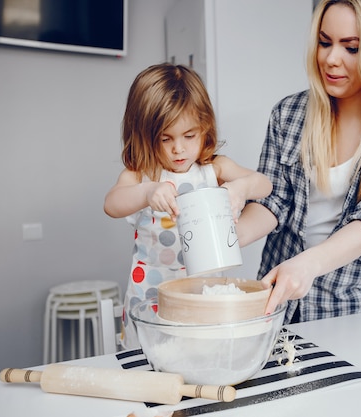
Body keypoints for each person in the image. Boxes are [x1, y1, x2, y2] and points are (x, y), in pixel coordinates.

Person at [236, 0, 361, 324]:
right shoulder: (289, 115)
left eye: (351, 48)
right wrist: (226, 235)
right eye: (325, 42)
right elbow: (273, 200)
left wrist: (307, 265)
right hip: (279, 306)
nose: (330, 58)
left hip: (352, 314)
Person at [104, 63, 272, 348]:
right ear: (144, 135)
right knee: (150, 367)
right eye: (165, 139)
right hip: (150, 295)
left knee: (203, 356)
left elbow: (264, 184)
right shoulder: (140, 175)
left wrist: (241, 187)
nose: (178, 149)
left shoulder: (214, 168)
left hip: (203, 296)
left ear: (205, 128)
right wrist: (147, 192)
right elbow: (112, 203)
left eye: (189, 136)